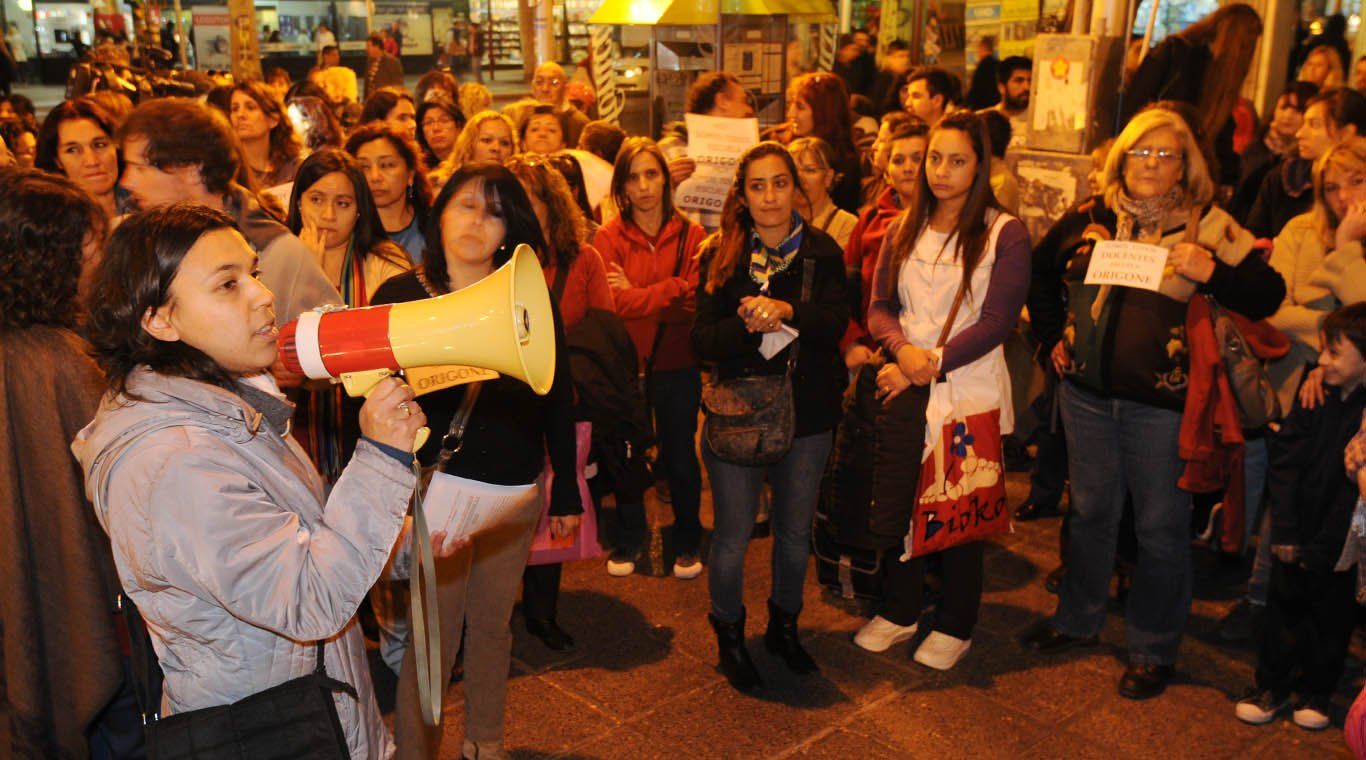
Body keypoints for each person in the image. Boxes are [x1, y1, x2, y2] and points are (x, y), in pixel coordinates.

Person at [74, 202, 430, 758]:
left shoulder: (227, 408)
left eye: (254, 273)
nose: (263, 296)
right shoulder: (174, 462)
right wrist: (382, 457)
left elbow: (298, 539)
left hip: (309, 708)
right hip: (271, 728)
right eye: (227, 285)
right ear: (158, 319)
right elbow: (310, 599)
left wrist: (405, 540)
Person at [1021, 104, 1285, 699]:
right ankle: (1077, 620)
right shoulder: (1095, 214)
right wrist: (1051, 338)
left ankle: (1153, 648)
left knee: (1162, 528)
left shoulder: (1209, 223)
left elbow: (1269, 293)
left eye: (1167, 154)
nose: (1151, 163)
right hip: (1086, 397)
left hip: (1163, 407)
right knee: (1089, 513)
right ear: (1122, 157)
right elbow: (1041, 272)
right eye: (1141, 151)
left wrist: (1212, 270)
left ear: (1185, 166)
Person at [383, 163, 578, 760]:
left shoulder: (526, 297)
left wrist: (566, 488)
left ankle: (485, 742)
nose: (476, 221)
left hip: (512, 492)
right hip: (434, 496)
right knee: (432, 643)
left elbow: (557, 391)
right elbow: (371, 406)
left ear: (509, 228)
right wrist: (388, 506)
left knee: (493, 627)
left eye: (494, 211)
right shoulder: (399, 297)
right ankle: (416, 751)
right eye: (464, 205)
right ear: (438, 212)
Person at [857, 111, 1030, 667]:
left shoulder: (1005, 232)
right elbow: (881, 306)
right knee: (905, 496)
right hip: (910, 383)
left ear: (980, 167)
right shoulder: (903, 225)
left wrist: (927, 361)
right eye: (935, 158)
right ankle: (902, 609)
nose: (941, 172)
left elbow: (998, 321)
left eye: (957, 161)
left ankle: (957, 622)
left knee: (961, 506)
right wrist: (902, 352)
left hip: (968, 388)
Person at [692, 141, 849, 692]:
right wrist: (746, 327)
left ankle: (785, 626)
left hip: (807, 416)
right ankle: (730, 636)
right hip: (738, 414)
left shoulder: (823, 253)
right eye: (757, 186)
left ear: (797, 189)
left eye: (780, 183)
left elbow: (834, 324)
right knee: (733, 536)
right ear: (742, 195)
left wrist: (789, 311)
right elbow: (701, 340)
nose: (770, 196)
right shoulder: (721, 254)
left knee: (792, 532)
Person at [0, 168, 125, 759]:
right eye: (91, 247)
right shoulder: (64, 363)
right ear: (53, 260)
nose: (99, 262)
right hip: (75, 601)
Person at [1234, 303, 1366, 730]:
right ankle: (1271, 686)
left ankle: (1317, 691)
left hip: (1343, 537)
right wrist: (1286, 527)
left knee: (1333, 615)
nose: (1322, 360)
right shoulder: (1315, 393)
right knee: (1283, 604)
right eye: (1323, 351)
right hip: (1297, 525)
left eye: (1334, 353)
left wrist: (1331, 541)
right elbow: (1286, 461)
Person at [505, 155, 611, 650]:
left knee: (556, 506)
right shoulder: (490, 263)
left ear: (551, 205)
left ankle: (542, 613)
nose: (521, 208)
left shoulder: (582, 259)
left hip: (564, 405)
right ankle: (498, 605)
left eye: (530, 197)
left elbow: (605, 331)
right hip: (505, 408)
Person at [593, 137, 708, 579]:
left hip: (678, 361)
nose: (643, 186)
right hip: (627, 364)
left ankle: (687, 538)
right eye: (633, 177)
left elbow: (694, 300)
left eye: (652, 174)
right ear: (621, 185)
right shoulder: (608, 237)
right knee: (626, 455)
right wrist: (669, 290)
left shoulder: (693, 234)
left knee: (679, 454)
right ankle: (630, 537)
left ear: (665, 178)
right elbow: (611, 304)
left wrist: (641, 294)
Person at [116, 98, 340, 324]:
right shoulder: (137, 243)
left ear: (193, 169)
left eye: (139, 168)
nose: (127, 181)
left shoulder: (278, 254)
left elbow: (330, 343)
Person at [1118, 3, 1263, 189]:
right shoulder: (1179, 55)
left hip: (1158, 157)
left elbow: (1134, 103)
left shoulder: (1177, 53)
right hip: (1163, 159)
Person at [842, 118, 930, 369]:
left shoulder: (949, 224)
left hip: (927, 357)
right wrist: (851, 343)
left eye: (918, 158)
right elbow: (840, 287)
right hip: (874, 355)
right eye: (899, 160)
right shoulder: (870, 221)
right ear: (886, 171)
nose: (908, 167)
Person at [1246, 87, 1366, 239]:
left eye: (1314, 125)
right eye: (1330, 188)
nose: (1300, 134)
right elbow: (1253, 237)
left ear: (1347, 133)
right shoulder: (1285, 178)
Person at [1229, 81, 1318, 223]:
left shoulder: (1306, 163)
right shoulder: (1256, 147)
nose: (1288, 116)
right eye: (1283, 108)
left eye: (1298, 110)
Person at [345, 123, 432, 264]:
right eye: (364, 167)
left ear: (410, 174)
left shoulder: (435, 225)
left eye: (387, 165)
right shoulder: (346, 232)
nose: (375, 177)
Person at [35, 97, 126, 220]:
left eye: (100, 145)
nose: (92, 161)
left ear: (116, 147)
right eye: (72, 150)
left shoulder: (144, 205)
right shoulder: (49, 227)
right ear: (57, 161)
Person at [786, 72, 862, 213]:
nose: (791, 114)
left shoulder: (845, 162)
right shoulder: (781, 143)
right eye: (791, 104)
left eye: (800, 107)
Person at [227, 80, 304, 189]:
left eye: (250, 107)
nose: (240, 115)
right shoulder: (227, 170)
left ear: (273, 119)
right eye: (234, 109)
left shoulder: (294, 169)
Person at [788, 136, 859, 248]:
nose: (799, 178)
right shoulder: (776, 219)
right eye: (793, 170)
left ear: (828, 177)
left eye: (810, 170)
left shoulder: (847, 224)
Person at [432, 110, 518, 188]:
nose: (496, 148)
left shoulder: (519, 188)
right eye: (487, 140)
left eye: (504, 143)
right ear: (469, 145)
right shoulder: (444, 186)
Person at [530, 61, 590, 147]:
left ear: (565, 88)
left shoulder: (580, 124)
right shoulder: (525, 116)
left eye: (554, 83)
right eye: (539, 82)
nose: (545, 89)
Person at [994, 55, 1032, 148]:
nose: (1027, 87)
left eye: (1030, 81)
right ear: (1001, 87)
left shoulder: (1040, 124)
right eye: (1019, 81)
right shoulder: (984, 121)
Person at [416, 98, 464, 169]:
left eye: (444, 121)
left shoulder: (472, 164)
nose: (436, 128)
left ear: (459, 127)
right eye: (428, 122)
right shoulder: (420, 169)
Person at [364, 31, 404, 100]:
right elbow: (367, 84)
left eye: (368, 46)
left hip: (385, 101)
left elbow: (398, 84)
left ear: (376, 47)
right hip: (371, 101)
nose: (366, 49)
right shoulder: (370, 61)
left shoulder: (392, 62)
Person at [966, 36, 1000, 110]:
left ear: (982, 48)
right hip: (996, 106)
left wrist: (967, 105)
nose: (977, 53)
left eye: (978, 50)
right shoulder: (999, 65)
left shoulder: (982, 66)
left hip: (983, 107)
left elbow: (976, 89)